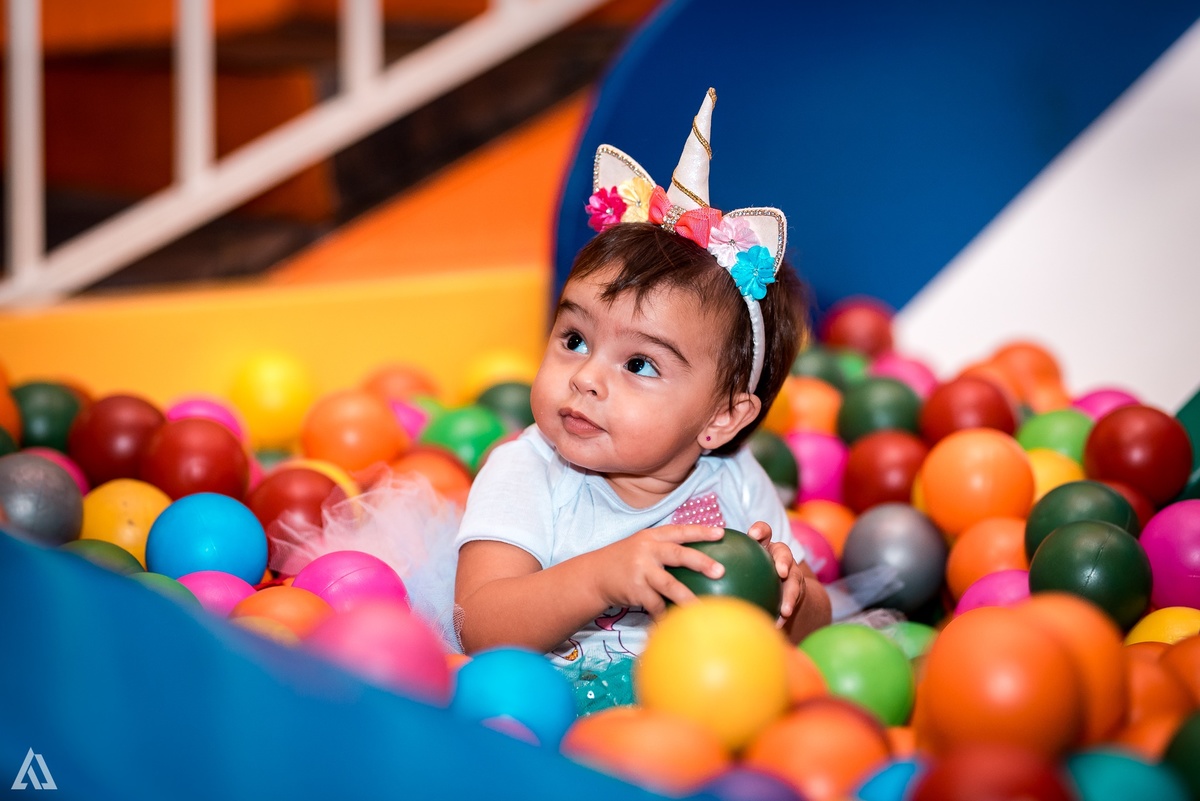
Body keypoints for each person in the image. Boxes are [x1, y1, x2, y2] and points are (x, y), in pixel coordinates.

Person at [453, 88, 832, 675]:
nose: (586, 377)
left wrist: (789, 598)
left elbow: (818, 626)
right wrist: (601, 577)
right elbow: (479, 624)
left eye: (639, 365)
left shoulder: (735, 483)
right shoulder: (528, 471)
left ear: (721, 419)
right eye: (574, 339)